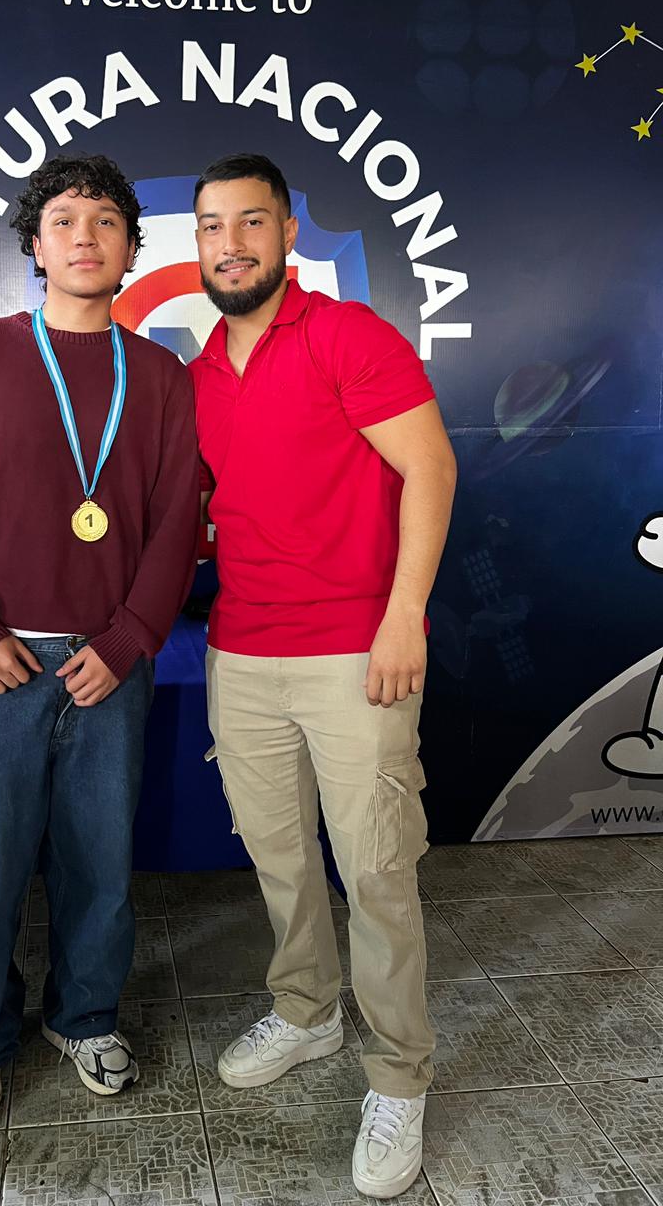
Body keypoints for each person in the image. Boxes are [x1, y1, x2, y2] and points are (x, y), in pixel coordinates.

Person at [0, 154, 199, 1123]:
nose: (85, 236)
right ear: (35, 245)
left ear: (130, 248)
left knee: (100, 862)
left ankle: (86, 1015)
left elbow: (176, 524)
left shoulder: (160, 376)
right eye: (65, 219)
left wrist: (129, 639)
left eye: (106, 220)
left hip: (110, 665)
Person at [188, 154, 457, 1199]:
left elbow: (430, 465)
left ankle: (400, 1076)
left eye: (251, 222)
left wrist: (403, 616)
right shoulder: (200, 370)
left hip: (356, 650)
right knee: (280, 859)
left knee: (377, 869)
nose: (231, 244)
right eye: (213, 226)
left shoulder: (348, 335)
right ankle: (306, 1012)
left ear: (289, 232)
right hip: (241, 653)